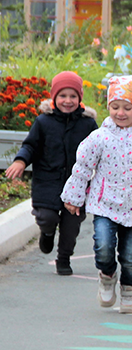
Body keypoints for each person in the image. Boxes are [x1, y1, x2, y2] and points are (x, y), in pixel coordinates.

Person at [61, 76, 132, 314]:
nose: (120, 113)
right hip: (105, 204)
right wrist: (73, 197)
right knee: (103, 246)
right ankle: (107, 275)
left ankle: (129, 289)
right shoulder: (99, 137)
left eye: (127, 108)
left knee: (130, 255)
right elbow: (83, 167)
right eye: (115, 107)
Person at [4, 71, 98, 276]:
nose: (68, 101)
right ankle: (46, 233)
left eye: (73, 96)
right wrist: (20, 161)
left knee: (71, 227)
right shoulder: (43, 122)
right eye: (62, 95)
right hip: (47, 181)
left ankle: (63, 258)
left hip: (77, 184)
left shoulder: (88, 124)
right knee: (46, 216)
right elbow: (31, 146)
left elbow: (99, 149)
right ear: (54, 97)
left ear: (80, 98)